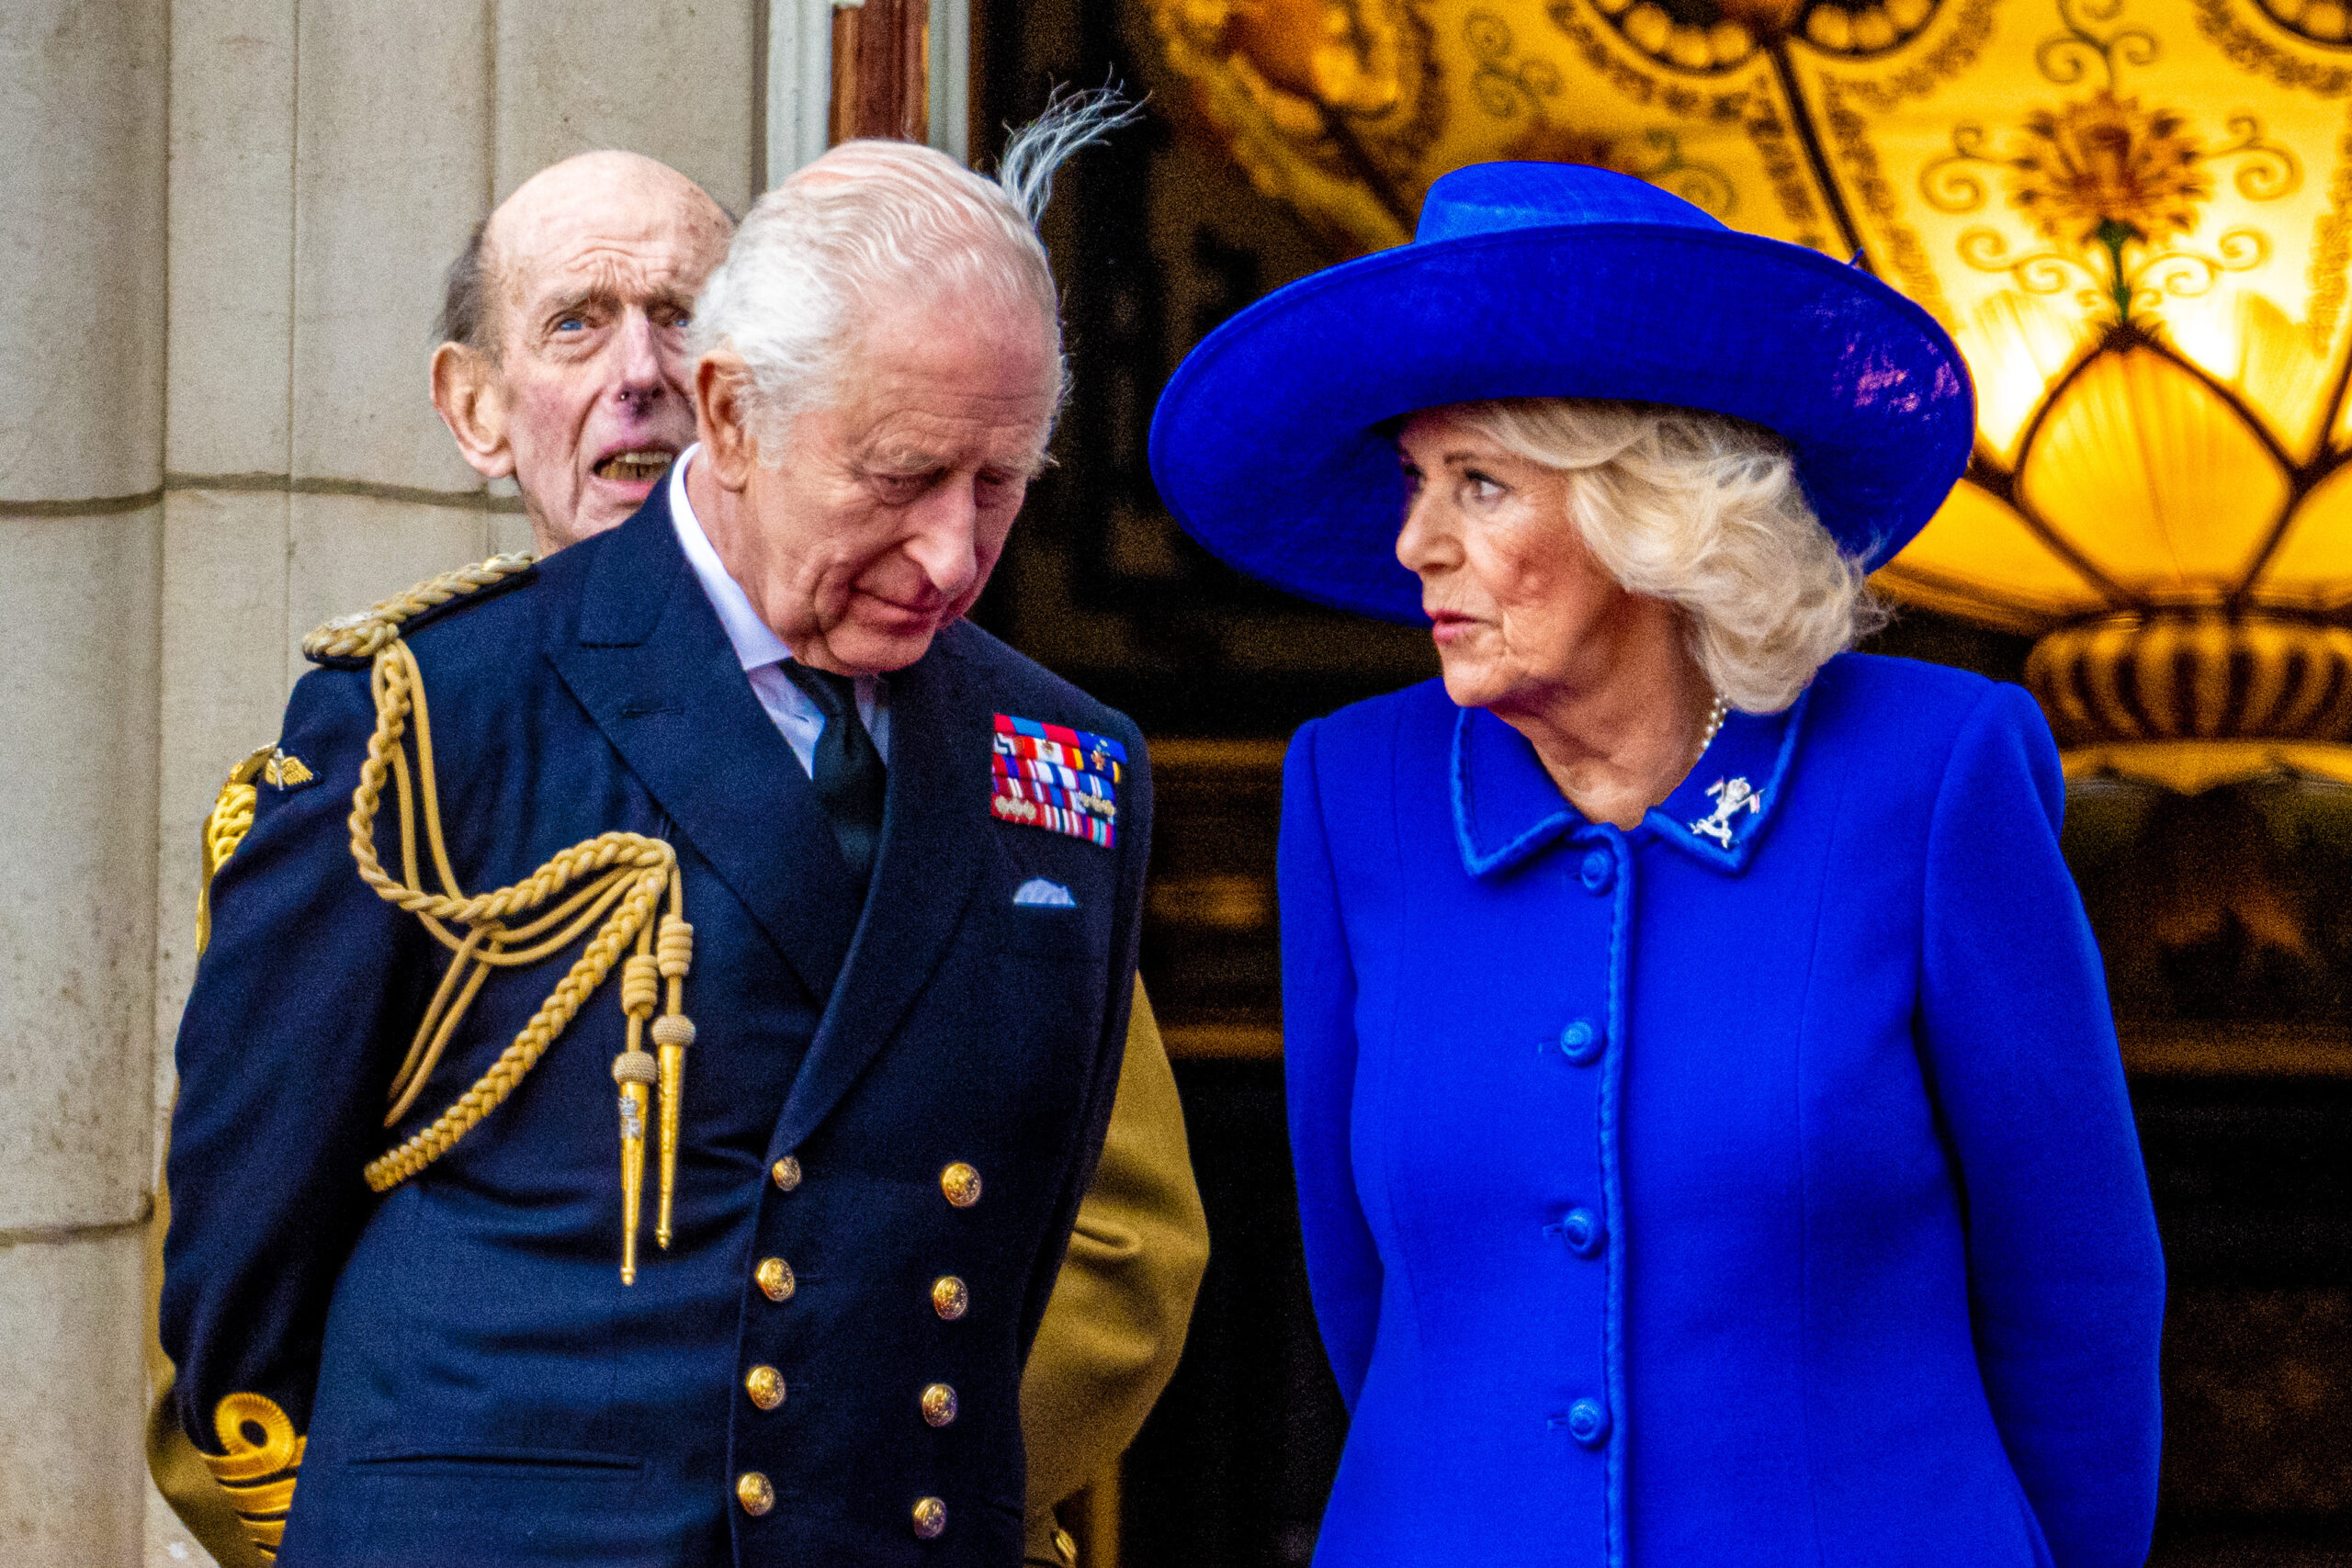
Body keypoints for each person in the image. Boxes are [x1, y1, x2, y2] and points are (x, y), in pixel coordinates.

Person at [152, 141, 1205, 1568]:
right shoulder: (422, 715)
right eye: (900, 477)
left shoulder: (1065, 767)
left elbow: (1063, 1245)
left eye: (1001, 484)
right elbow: (241, 1263)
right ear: (738, 415)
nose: (954, 556)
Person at [1149, 161, 2165, 1567]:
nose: (1415, 543)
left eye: (1480, 484)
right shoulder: (1356, 790)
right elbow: (1364, 1287)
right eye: (1415, 481)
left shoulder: (1933, 774)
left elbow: (2077, 1290)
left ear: (1651, 513)